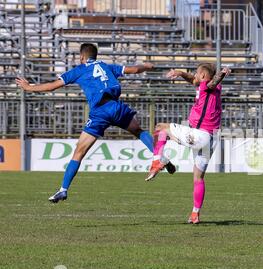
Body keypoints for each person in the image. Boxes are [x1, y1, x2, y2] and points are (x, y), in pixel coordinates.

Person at [16, 43, 175, 203]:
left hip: (100, 112)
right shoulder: (107, 66)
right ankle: (159, 157)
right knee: (139, 131)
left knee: (79, 152)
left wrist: (28, 87)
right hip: (116, 107)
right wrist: (146, 66)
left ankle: (63, 190)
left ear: (82, 56)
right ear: (95, 56)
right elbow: (134, 70)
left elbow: (52, 86)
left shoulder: (80, 69)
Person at [145, 63, 231, 224]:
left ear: (204, 76)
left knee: (160, 128)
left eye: (197, 73)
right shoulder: (206, 87)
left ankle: (158, 161)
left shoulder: (209, 86)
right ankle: (195, 214)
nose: (194, 75)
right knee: (198, 178)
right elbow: (194, 80)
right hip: (211, 139)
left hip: (199, 135)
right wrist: (180, 72)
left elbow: (213, 82)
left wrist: (222, 74)